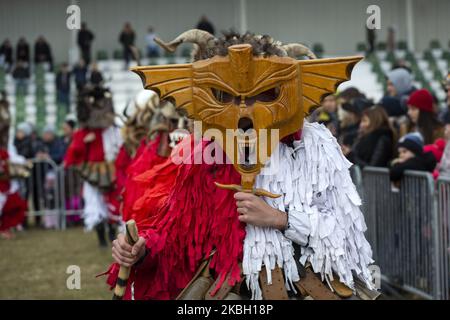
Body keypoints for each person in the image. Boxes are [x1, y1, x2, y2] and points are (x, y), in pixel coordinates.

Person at [105, 30, 377, 300]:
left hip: (304, 288)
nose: (244, 110)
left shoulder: (314, 146)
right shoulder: (207, 155)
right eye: (227, 96)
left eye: (261, 94)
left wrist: (279, 219)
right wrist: (142, 250)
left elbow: (343, 238)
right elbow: (176, 239)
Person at [64, 86, 122, 247]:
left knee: (112, 202)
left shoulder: (113, 130)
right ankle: (102, 239)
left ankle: (112, 234)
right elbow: (74, 151)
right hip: (92, 173)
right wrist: (84, 142)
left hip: (111, 171)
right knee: (94, 205)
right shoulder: (83, 132)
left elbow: (121, 148)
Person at [0, 94, 28, 239]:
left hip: (6, 182)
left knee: (14, 204)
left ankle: (5, 228)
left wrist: (23, 162)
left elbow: (12, 156)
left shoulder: (7, 145)